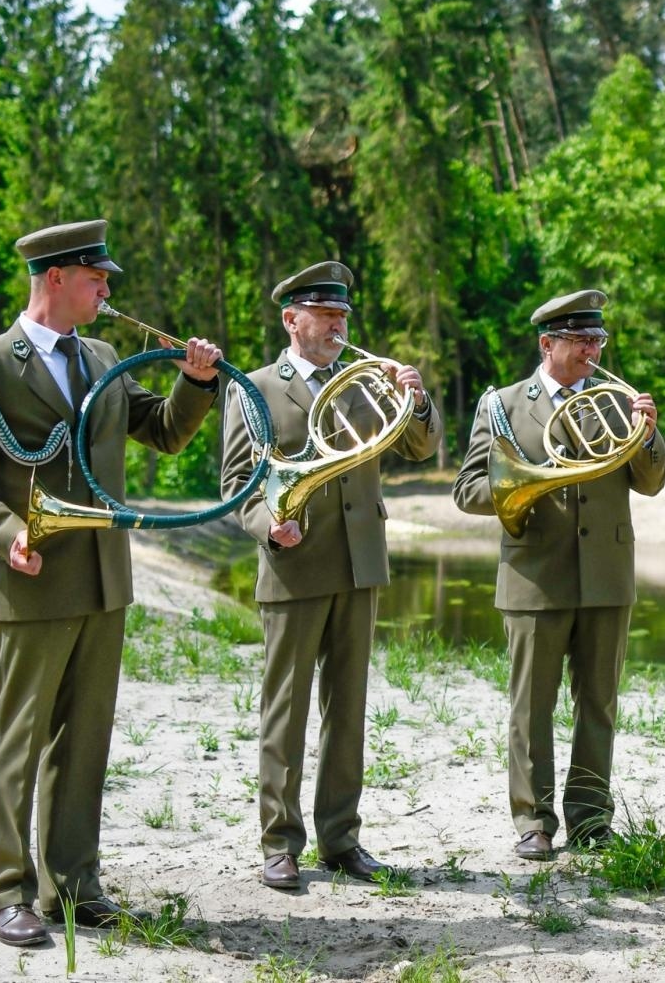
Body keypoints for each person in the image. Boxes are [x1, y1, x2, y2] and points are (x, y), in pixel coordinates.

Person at [0, 219, 221, 946]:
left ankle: (74, 885)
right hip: (33, 578)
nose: (107, 288)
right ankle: (6, 889)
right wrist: (3, 532)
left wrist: (196, 382)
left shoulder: (104, 355)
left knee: (85, 742)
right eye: (97, 276)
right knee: (18, 739)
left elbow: (164, 430)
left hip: (103, 581)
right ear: (55, 277)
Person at [219, 261, 440, 890]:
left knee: (348, 710)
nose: (339, 324)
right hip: (294, 564)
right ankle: (279, 843)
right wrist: (269, 526)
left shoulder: (368, 384)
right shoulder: (255, 387)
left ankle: (341, 839)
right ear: (292, 320)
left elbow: (420, 449)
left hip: (359, 563)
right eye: (326, 314)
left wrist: (416, 401)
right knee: (284, 710)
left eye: (344, 314)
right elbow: (238, 486)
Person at [452, 289, 665, 861]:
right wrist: (531, 485)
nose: (593, 351)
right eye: (580, 341)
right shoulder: (500, 405)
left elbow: (651, 482)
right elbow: (469, 489)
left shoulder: (619, 403)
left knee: (598, 704)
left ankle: (592, 821)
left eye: (598, 340)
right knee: (532, 706)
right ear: (548, 344)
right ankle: (533, 822)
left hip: (606, 574)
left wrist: (648, 436)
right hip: (534, 576)